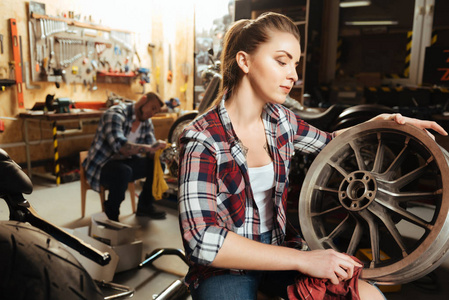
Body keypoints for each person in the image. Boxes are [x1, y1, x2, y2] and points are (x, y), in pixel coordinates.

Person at [177, 12, 448, 300]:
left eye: (295, 64)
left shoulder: (280, 120)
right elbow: (202, 240)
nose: (293, 75)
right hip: (224, 267)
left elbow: (332, 145)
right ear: (244, 61)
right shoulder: (203, 138)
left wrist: (380, 122)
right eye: (282, 62)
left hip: (279, 247)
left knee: (370, 296)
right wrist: (305, 260)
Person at [83, 92, 167, 222]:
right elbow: (121, 147)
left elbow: (151, 150)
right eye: (153, 108)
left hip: (126, 162)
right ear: (143, 100)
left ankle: (144, 206)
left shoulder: (146, 122)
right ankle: (111, 215)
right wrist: (150, 148)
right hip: (103, 164)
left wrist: (161, 151)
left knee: (157, 165)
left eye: (156, 112)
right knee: (123, 171)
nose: (152, 113)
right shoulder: (115, 114)